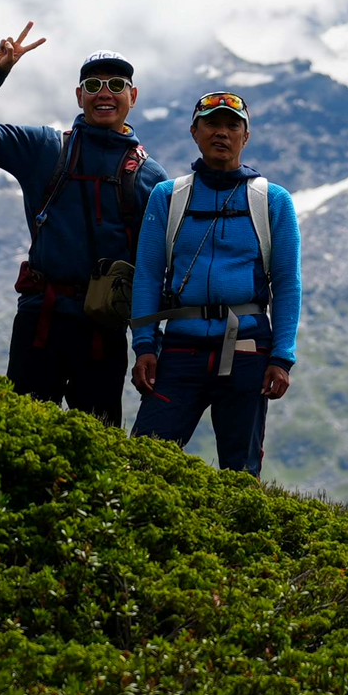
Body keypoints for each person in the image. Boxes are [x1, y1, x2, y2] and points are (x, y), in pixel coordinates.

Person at [0, 30, 168, 424]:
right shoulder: (44, 148)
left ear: (132, 97)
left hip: (104, 328)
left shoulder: (152, 177)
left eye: (116, 85)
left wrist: (149, 345)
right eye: (94, 85)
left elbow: (157, 269)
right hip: (41, 317)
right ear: (78, 95)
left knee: (97, 448)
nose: (105, 93)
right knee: (22, 432)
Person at [129, 90, 303, 476]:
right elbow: (147, 275)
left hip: (247, 351)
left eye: (232, 125)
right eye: (212, 124)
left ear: (246, 136)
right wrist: (144, 345)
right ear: (195, 132)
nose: (221, 133)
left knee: (240, 473)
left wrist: (281, 357)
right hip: (178, 350)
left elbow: (287, 285)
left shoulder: (273, 201)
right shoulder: (167, 197)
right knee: (142, 462)